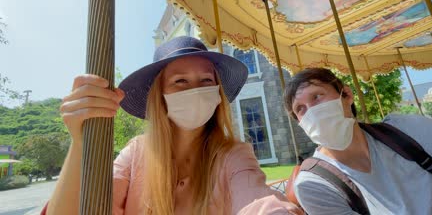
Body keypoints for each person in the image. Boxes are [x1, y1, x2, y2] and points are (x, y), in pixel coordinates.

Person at [45, 36, 302, 215]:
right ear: (160, 97)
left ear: (217, 94)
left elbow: (257, 199)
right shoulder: (135, 153)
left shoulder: (233, 155)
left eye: (206, 80)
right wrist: (80, 143)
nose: (196, 90)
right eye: (180, 81)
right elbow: (87, 207)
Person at [283, 67, 432, 215]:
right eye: (300, 109)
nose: (312, 112)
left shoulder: (409, 130)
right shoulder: (314, 184)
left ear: (346, 95)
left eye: (316, 96)